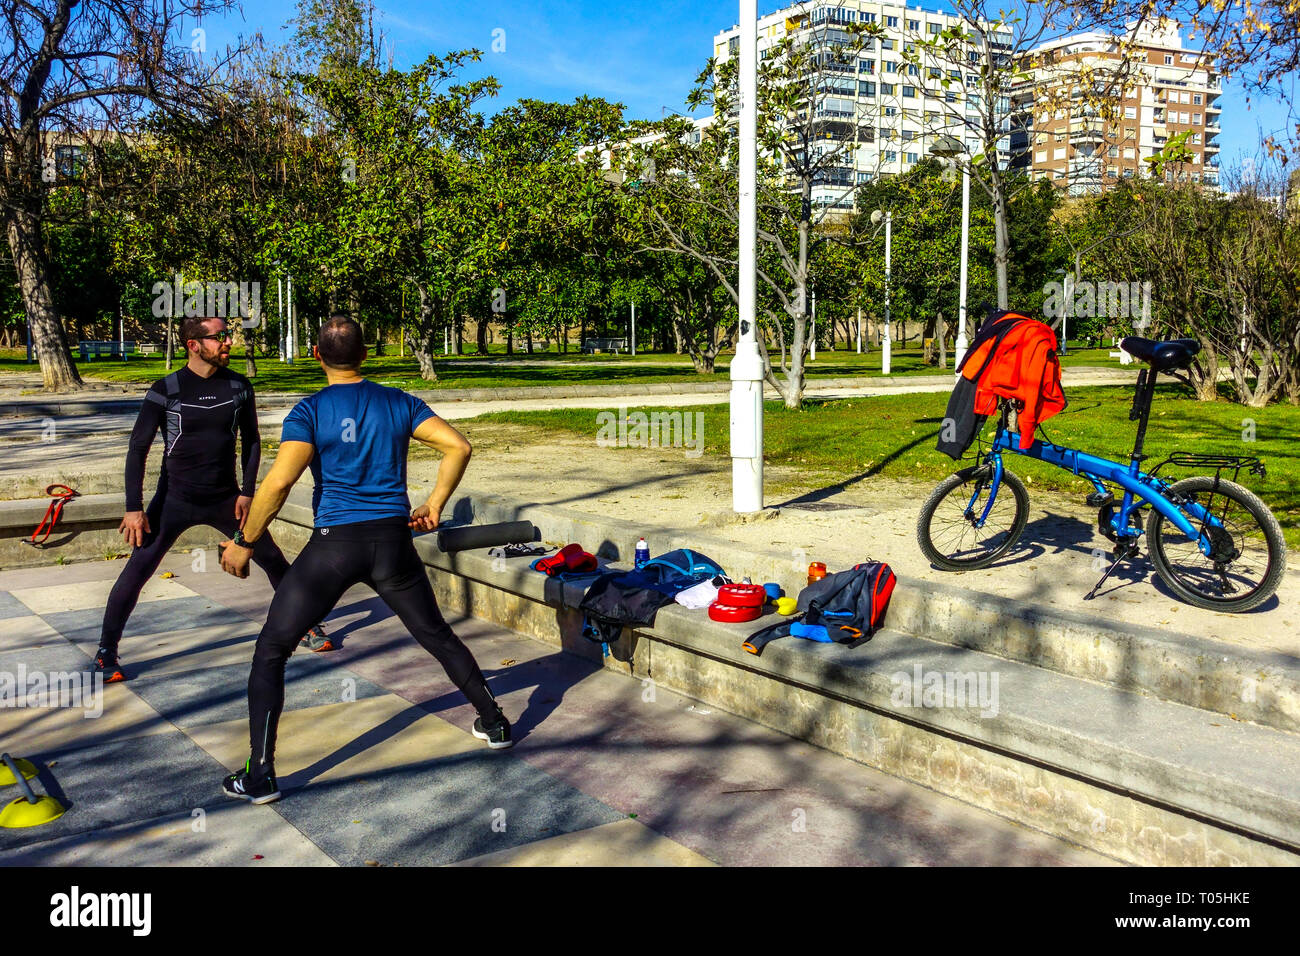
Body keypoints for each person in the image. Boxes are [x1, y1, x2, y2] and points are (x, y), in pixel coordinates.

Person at [217, 315, 510, 805]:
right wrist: (435, 504)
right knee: (435, 634)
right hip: (392, 544)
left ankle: (261, 774)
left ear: (315, 355)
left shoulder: (308, 411)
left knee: (272, 650)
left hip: (334, 546)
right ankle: (495, 723)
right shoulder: (398, 401)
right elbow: (459, 445)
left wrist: (244, 542)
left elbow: (279, 483)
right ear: (367, 354)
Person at [94, 315, 330, 684]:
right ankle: (106, 651)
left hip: (226, 499)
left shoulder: (239, 386)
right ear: (194, 344)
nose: (227, 343)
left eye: (227, 336)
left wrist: (248, 492)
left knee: (272, 559)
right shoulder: (166, 389)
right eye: (219, 337)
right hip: (174, 499)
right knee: (138, 570)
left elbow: (251, 441)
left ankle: (306, 626)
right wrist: (133, 508)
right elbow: (137, 448)